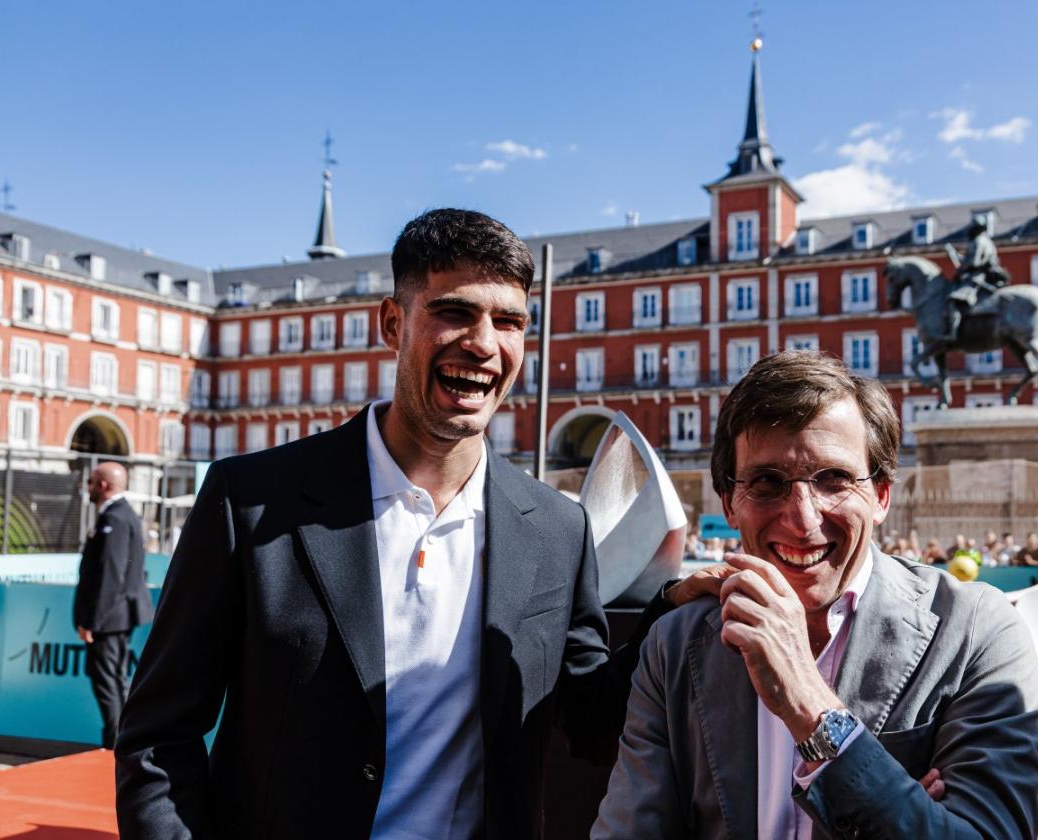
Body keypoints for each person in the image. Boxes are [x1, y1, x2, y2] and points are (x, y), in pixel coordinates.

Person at [115, 209, 714, 839]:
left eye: (509, 321)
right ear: (393, 322)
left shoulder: (558, 530)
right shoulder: (250, 503)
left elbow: (590, 719)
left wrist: (670, 611)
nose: (484, 343)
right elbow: (158, 738)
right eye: (456, 312)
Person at [593, 350, 1038, 839]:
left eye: (834, 479)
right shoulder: (675, 645)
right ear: (729, 502)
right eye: (767, 482)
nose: (803, 519)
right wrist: (897, 800)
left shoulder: (975, 632)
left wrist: (810, 706)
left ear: (881, 496)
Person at [73, 461, 153, 749]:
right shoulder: (118, 515)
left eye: (92, 482)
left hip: (109, 620)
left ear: (104, 485)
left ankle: (114, 750)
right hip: (115, 617)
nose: (89, 488)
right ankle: (117, 747)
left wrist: (92, 621)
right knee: (114, 683)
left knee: (109, 685)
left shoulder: (116, 518)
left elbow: (111, 575)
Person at [943, 218, 1004, 342]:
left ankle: (953, 334)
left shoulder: (977, 242)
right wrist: (955, 255)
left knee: (953, 302)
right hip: (986, 276)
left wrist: (960, 271)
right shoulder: (988, 242)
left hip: (976, 278)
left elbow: (973, 262)